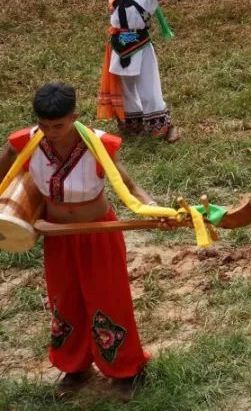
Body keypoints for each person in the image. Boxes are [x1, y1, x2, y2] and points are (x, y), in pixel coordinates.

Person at [0, 83, 155, 393]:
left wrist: (152, 208)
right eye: (44, 125)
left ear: (74, 117)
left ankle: (125, 370)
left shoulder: (96, 144)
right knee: (65, 299)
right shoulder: (26, 143)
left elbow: (130, 186)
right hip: (57, 235)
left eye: (57, 125)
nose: (50, 132)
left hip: (98, 233)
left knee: (108, 297)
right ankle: (75, 366)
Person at [56, 0, 180, 141]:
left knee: (149, 87)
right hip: (118, 46)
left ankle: (162, 125)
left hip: (140, 45)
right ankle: (133, 124)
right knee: (125, 88)